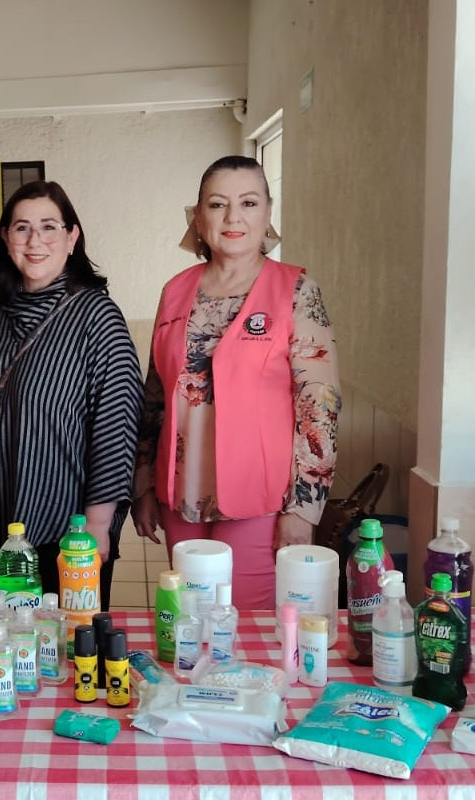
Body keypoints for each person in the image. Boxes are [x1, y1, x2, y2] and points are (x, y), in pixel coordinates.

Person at [133, 155, 340, 611]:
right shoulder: (175, 289)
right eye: (217, 204)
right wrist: (143, 484)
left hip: (262, 498)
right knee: (189, 620)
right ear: (199, 218)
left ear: (267, 213)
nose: (233, 217)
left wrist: (304, 508)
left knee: (245, 624)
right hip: (180, 493)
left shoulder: (296, 289)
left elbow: (318, 404)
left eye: (248, 202)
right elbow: (154, 397)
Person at [0, 181, 143, 611]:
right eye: (22, 228)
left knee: (68, 644)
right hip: (6, 513)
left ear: (72, 236)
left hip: (70, 523)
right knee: (12, 639)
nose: (34, 240)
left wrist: (98, 525)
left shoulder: (97, 315)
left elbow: (117, 426)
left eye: (48, 227)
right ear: (6, 238)